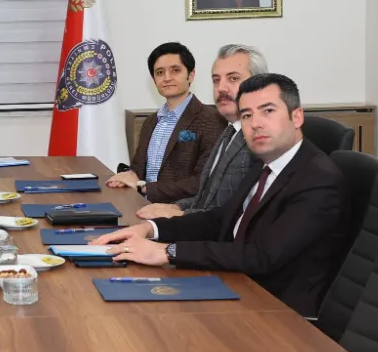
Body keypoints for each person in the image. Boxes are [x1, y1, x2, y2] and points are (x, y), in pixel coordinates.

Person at [93, 74, 349, 317]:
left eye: (268, 111)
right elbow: (219, 220)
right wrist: (150, 229)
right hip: (238, 283)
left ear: (297, 117)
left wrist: (167, 252)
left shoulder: (318, 179)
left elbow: (261, 256)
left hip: (278, 311)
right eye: (246, 115)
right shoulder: (266, 163)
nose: (255, 123)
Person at [136, 44, 268, 220]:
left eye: (233, 78)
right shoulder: (230, 132)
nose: (222, 88)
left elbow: (238, 212)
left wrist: (180, 213)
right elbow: (207, 196)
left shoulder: (262, 137)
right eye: (216, 80)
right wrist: (176, 207)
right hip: (173, 213)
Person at [107, 42, 226, 203]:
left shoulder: (212, 119)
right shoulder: (150, 122)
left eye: (175, 70)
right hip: (140, 205)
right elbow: (137, 170)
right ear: (154, 80)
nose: (167, 78)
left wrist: (144, 187)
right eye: (160, 72)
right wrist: (125, 178)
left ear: (191, 75)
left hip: (180, 211)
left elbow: (202, 181)